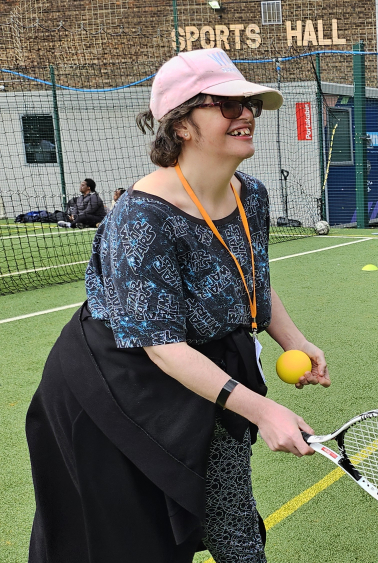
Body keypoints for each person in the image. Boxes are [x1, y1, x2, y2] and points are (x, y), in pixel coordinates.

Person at [26, 48, 330, 562]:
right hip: (115, 386)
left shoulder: (250, 195)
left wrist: (295, 341)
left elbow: (251, 278)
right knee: (128, 541)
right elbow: (160, 345)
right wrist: (261, 409)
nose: (246, 114)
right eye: (226, 105)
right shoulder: (139, 216)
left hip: (205, 364)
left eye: (249, 103)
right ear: (182, 124)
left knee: (234, 528)